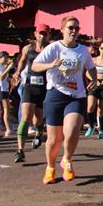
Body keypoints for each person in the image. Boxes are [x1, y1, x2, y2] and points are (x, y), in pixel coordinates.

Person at [32, 16, 97, 184]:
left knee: (72, 130)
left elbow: (90, 67)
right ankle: (50, 167)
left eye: (76, 28)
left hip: (76, 96)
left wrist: (94, 80)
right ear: (62, 30)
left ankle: (67, 159)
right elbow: (35, 66)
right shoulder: (54, 48)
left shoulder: (82, 50)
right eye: (70, 27)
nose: (74, 31)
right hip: (56, 94)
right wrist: (51, 65)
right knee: (54, 139)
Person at [13, 24, 51, 162]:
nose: (42, 36)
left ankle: (39, 133)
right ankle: (20, 150)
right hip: (29, 85)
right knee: (26, 116)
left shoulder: (51, 49)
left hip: (44, 87)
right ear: (35, 34)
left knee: (38, 119)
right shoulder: (28, 48)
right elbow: (22, 61)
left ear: (49, 35)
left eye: (45, 33)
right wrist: (17, 72)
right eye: (40, 33)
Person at [85, 41, 103, 140]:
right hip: (94, 84)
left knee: (101, 110)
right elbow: (87, 73)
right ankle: (91, 126)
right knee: (90, 107)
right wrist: (94, 80)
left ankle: (101, 130)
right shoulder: (93, 60)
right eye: (101, 48)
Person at [0, 51, 14, 137]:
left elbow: (5, 77)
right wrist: (8, 68)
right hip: (1, 89)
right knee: (6, 109)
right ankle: (8, 129)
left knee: (2, 110)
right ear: (0, 58)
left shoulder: (2, 66)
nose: (6, 60)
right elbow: (0, 77)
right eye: (5, 58)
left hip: (4, 89)